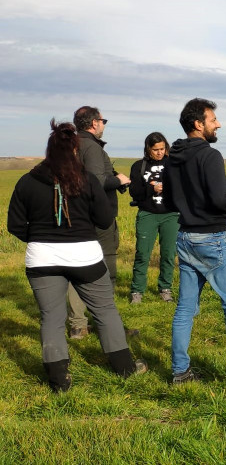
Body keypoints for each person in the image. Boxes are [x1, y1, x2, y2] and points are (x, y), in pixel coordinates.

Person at [7, 120, 146, 392]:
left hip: (42, 260)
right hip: (85, 258)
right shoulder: (87, 180)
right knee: (105, 310)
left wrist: (39, 238)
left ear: (49, 150)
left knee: (52, 318)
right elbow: (105, 219)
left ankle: (59, 381)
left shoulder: (27, 181)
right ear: (74, 151)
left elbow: (15, 225)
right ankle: (126, 369)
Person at [163, 97, 226, 393]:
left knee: (185, 308)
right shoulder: (210, 155)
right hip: (214, 239)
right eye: (213, 119)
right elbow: (222, 199)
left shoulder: (172, 157)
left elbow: (169, 201)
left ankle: (180, 372)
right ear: (198, 124)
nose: (218, 123)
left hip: (185, 238)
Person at [66, 106, 131, 339]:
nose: (103, 125)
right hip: (97, 217)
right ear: (94, 123)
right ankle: (106, 324)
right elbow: (96, 181)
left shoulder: (70, 145)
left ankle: (78, 325)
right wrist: (119, 179)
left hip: (77, 216)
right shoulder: (91, 147)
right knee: (106, 270)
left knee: (78, 269)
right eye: (103, 121)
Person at [128, 132, 180, 304]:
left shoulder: (174, 164)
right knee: (142, 253)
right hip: (147, 214)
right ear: (148, 149)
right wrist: (153, 190)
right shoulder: (139, 166)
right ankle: (137, 291)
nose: (159, 152)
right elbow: (134, 192)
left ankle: (165, 289)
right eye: (155, 149)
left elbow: (183, 188)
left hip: (171, 215)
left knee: (168, 254)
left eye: (162, 149)